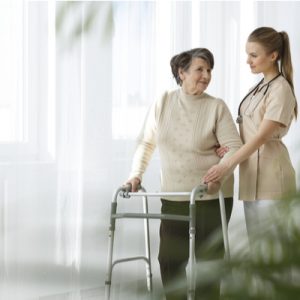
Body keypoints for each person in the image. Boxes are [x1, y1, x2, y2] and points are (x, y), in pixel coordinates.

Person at [125, 48, 242, 299]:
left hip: (209, 197)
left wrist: (219, 173)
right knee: (169, 261)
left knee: (207, 263)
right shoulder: (164, 102)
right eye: (200, 69)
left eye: (209, 70)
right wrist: (136, 174)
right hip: (174, 195)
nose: (206, 75)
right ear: (182, 72)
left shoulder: (216, 107)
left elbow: (235, 148)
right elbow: (146, 143)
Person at [203, 27, 297, 243]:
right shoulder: (258, 87)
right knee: (257, 252)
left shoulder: (280, 89)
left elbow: (261, 137)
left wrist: (226, 166)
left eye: (253, 55)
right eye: (247, 54)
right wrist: (230, 145)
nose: (248, 60)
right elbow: (249, 131)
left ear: (273, 56)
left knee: (274, 256)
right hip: (251, 178)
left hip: (273, 181)